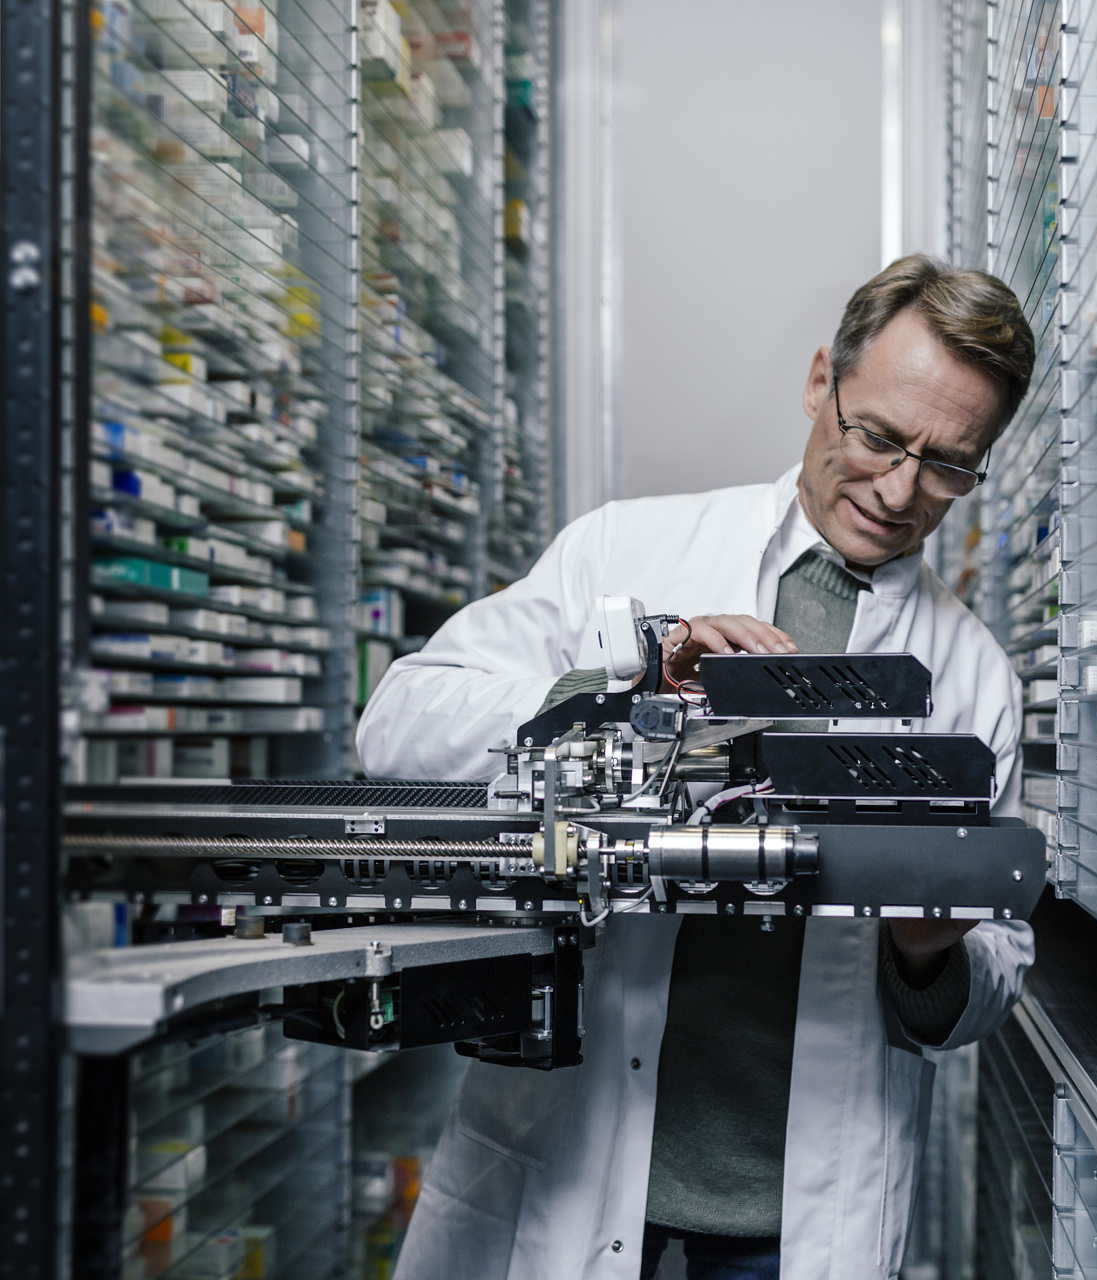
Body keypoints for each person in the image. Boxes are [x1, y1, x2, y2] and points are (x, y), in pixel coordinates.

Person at [363, 255, 1037, 1280]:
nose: (901, 490)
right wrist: (618, 701)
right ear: (822, 380)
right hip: (571, 1165)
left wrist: (929, 952)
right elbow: (398, 723)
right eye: (879, 436)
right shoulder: (628, 550)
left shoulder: (971, 675)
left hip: (792, 1225)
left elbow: (986, 980)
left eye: (949, 463)